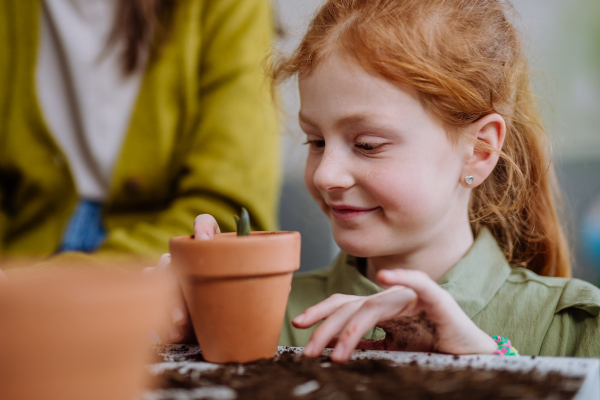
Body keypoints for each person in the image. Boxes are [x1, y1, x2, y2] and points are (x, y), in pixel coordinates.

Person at [156, 0, 600, 360]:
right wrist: (183, 342)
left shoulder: (574, 331)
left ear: (480, 150)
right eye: (315, 141)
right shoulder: (266, 317)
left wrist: (486, 364)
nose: (326, 174)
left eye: (367, 145)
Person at [0, 0, 279, 261]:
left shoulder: (228, 8)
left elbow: (229, 215)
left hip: (157, 261)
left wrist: (60, 282)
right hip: (21, 261)